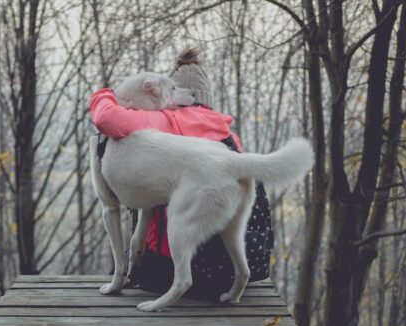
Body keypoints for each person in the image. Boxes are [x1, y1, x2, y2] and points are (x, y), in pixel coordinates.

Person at [88, 48, 273, 299]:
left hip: (166, 273)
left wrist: (103, 94)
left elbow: (108, 120)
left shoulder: (166, 121)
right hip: (232, 268)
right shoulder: (226, 132)